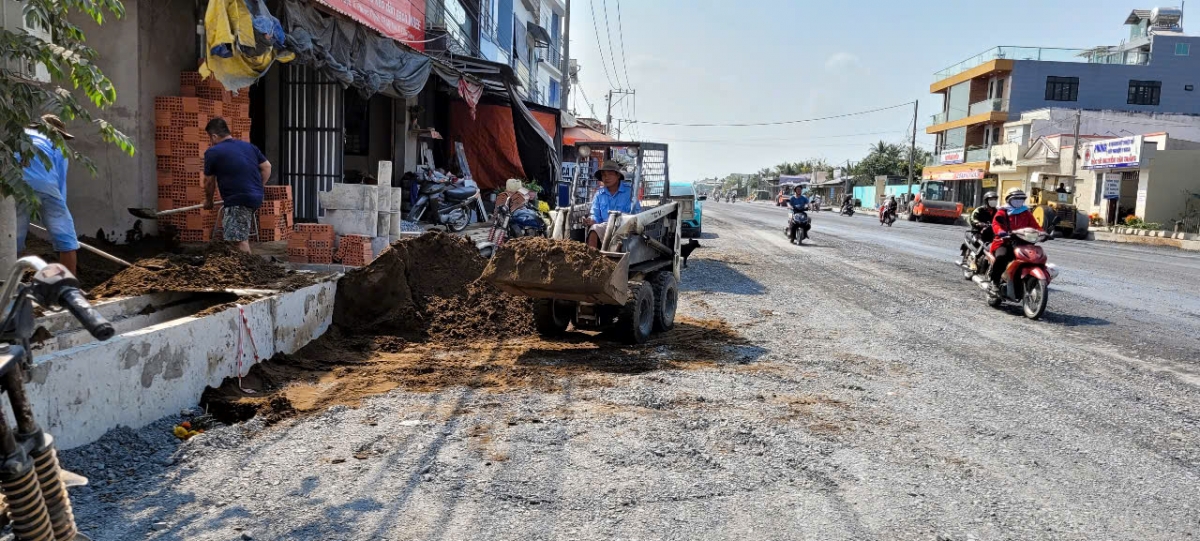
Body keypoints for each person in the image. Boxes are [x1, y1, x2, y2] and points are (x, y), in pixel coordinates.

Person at [15, 115, 80, 274]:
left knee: (11, 239)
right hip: (47, 187)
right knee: (66, 241)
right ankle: (67, 287)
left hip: (15, 185)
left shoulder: (20, 138)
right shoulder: (58, 145)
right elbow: (59, 182)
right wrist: (58, 212)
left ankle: (5, 285)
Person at [202, 117, 271, 254]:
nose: (211, 141)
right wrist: (258, 187)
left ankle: (249, 271)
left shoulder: (213, 152)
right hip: (255, 197)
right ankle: (242, 269)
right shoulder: (249, 147)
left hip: (238, 199)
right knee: (235, 236)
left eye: (210, 138)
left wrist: (208, 201)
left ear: (214, 136)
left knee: (237, 240)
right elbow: (267, 167)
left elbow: (209, 181)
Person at [988, 188, 1042, 293]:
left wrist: (1043, 233)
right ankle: (994, 282)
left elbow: (1035, 226)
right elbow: (996, 224)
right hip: (1004, 242)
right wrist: (1001, 232)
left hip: (1023, 243)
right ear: (1009, 199)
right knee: (1002, 257)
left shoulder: (1026, 212)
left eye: (1021, 199)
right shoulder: (1002, 211)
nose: (1018, 201)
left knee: (1034, 258)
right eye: (1015, 199)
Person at [584, 161, 640, 248]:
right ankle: (591, 258)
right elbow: (595, 215)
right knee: (594, 229)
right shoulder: (599, 194)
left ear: (618, 175)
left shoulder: (630, 192)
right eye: (604, 175)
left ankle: (614, 259)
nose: (606, 177)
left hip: (624, 228)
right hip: (605, 227)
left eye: (610, 174)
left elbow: (636, 214)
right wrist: (592, 220)